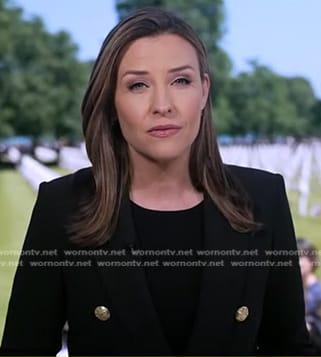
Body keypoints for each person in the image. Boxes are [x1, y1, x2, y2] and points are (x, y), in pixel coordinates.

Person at [0, 6, 315, 356]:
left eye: (180, 81)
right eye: (138, 85)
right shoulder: (62, 206)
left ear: (204, 91)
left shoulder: (263, 199)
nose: (162, 105)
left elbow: (288, 347)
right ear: (111, 102)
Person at [297, 237, 321, 354]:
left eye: (301, 257)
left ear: (311, 260)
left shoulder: (318, 292)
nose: (297, 261)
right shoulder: (295, 290)